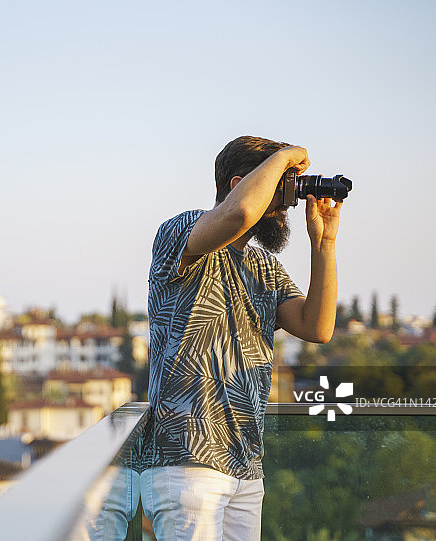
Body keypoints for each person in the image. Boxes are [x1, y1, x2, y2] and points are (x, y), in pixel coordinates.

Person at [141, 136, 343, 541]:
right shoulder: (180, 233)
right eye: (281, 188)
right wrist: (287, 156)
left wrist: (324, 244)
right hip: (187, 462)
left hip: (245, 466)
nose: (286, 204)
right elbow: (242, 213)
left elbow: (316, 327)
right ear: (238, 185)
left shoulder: (263, 266)